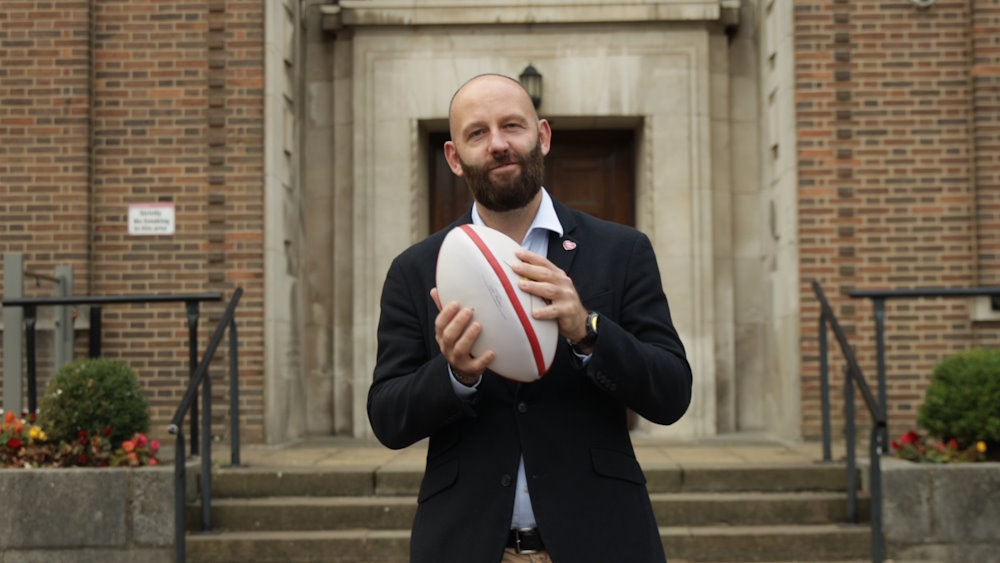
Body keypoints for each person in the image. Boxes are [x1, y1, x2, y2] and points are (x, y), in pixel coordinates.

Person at [368, 73, 692, 563]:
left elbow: (671, 393)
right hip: (465, 544)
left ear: (542, 135)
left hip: (604, 540)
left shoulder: (621, 251)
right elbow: (387, 417)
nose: (498, 144)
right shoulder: (415, 269)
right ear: (454, 158)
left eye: (512, 126)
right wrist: (452, 374)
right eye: (477, 133)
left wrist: (588, 332)